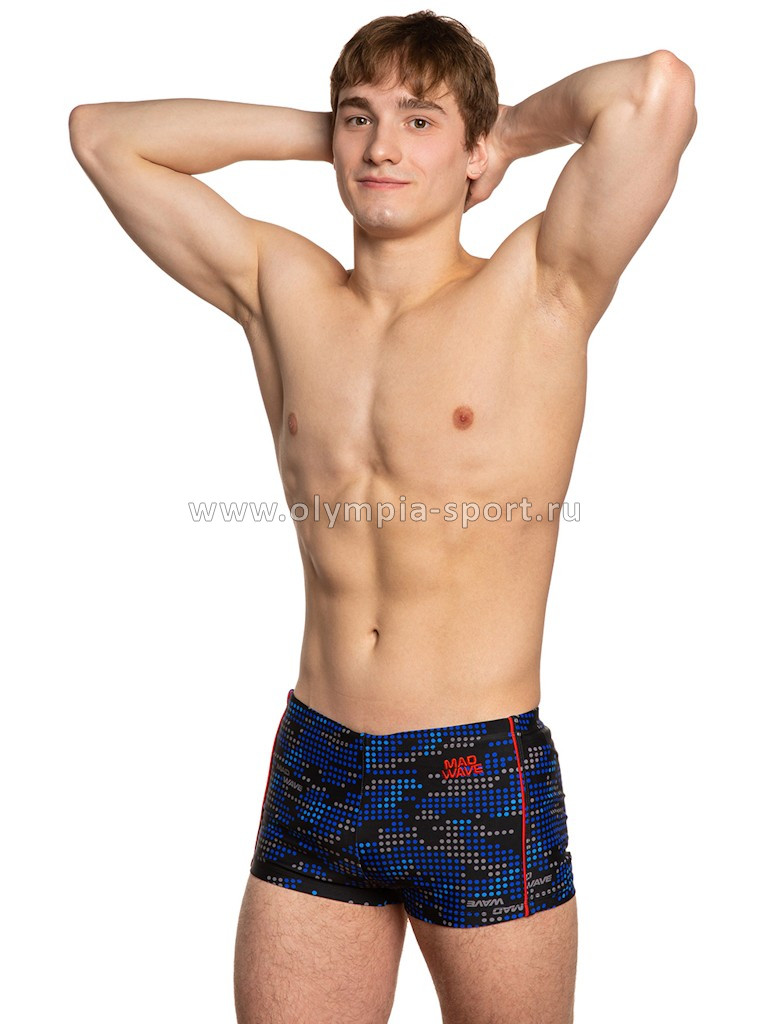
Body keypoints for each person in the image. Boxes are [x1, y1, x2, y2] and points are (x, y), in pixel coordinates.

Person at [69, 10, 696, 1023]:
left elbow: (656, 90)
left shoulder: (539, 287)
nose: (382, 147)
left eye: (420, 120)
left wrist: (508, 135)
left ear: (472, 147)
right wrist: (328, 133)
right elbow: (103, 136)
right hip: (318, 763)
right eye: (361, 119)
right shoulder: (280, 288)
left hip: (474, 772)